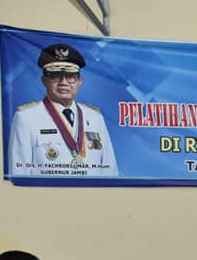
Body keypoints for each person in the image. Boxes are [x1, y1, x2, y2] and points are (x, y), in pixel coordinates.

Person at [8, 43, 118, 177]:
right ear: (44, 80)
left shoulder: (95, 117)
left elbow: (109, 170)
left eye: (71, 77)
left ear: (79, 81)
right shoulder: (26, 118)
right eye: (55, 76)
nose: (64, 82)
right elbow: (19, 174)